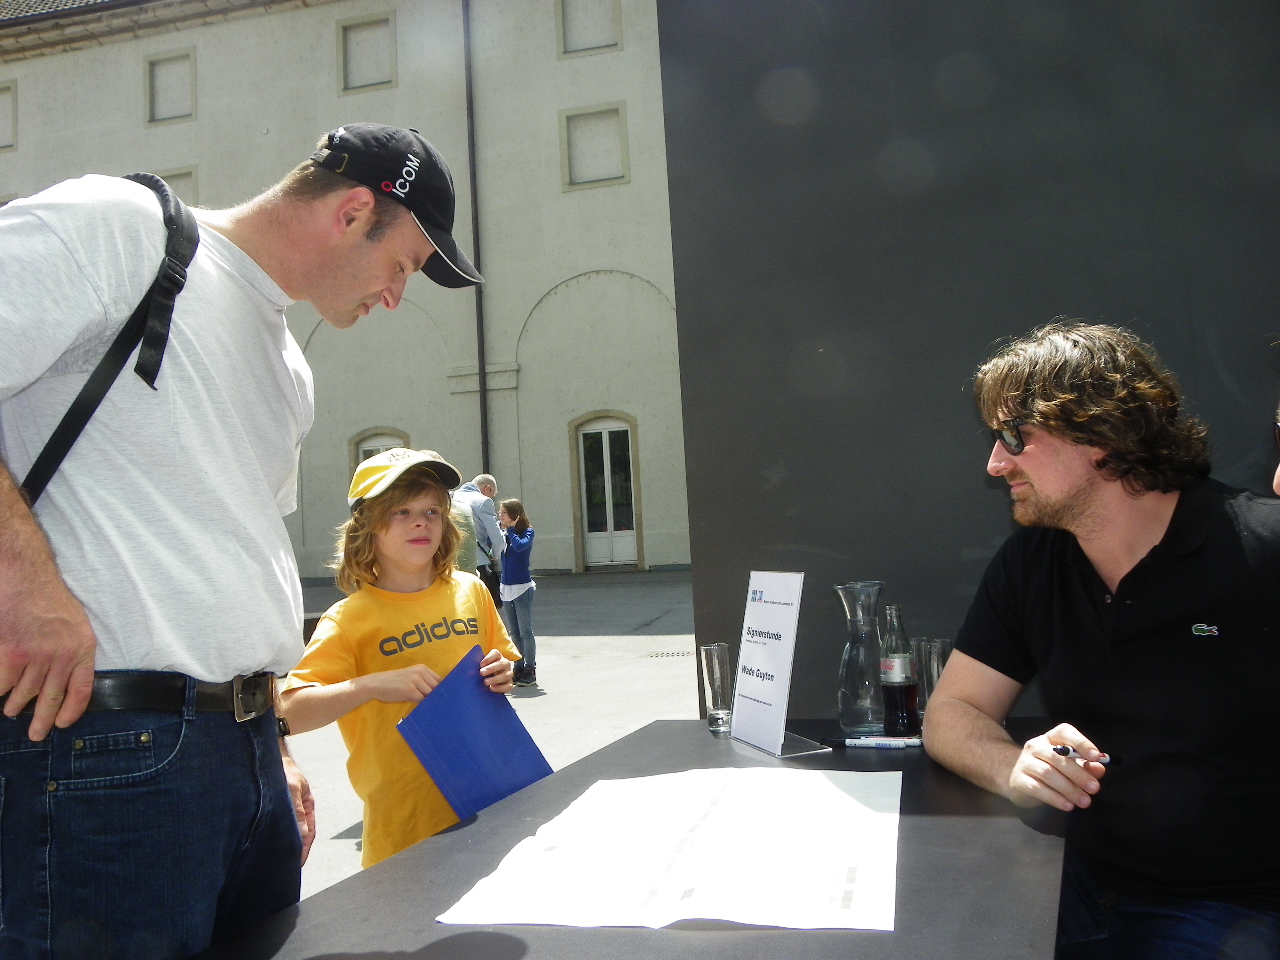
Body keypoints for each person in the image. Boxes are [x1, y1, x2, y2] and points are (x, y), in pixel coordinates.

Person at [0, 122, 481, 958]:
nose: (395, 297)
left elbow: (232, 552)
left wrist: (266, 738)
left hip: (243, 754)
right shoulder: (123, 229)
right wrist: (25, 587)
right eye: (402, 266)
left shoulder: (289, 367)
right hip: (103, 744)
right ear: (353, 212)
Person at [923, 321, 1280, 959]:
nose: (996, 463)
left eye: (1014, 436)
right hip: (1069, 877)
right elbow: (952, 711)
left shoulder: (1260, 549)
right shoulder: (1032, 561)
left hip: (1230, 908)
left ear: (1100, 435)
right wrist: (1013, 767)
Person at [278, 449, 517, 867]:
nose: (421, 522)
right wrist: (370, 685)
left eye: (431, 511)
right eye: (401, 511)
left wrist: (502, 672)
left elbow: (502, 666)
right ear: (367, 526)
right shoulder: (349, 619)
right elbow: (290, 713)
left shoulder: (472, 591)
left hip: (493, 802)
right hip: (404, 829)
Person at [498, 498, 537, 687]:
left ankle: (530, 669)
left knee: (525, 632)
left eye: (503, 513)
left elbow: (521, 546)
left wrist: (512, 530)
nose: (500, 515)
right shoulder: (503, 533)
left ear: (514, 515)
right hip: (506, 587)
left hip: (522, 587)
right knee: (513, 631)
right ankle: (518, 666)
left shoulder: (527, 532)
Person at [452, 473, 504, 606]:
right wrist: (494, 555)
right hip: (477, 561)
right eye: (491, 494)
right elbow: (497, 538)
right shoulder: (483, 501)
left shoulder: (451, 497)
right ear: (488, 488)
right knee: (485, 605)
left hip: (451, 561)